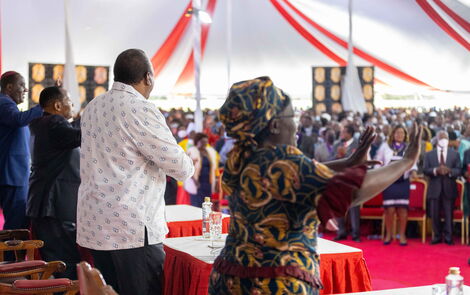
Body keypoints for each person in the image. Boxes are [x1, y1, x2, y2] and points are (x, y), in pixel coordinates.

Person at [208, 77, 422, 295]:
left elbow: (303, 175)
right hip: (273, 284)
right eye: (294, 116)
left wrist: (348, 162)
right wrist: (405, 163)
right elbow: (351, 192)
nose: (296, 124)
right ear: (274, 125)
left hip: (230, 277)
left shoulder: (241, 156)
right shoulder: (282, 160)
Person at [77, 49, 195, 295]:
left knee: (107, 290)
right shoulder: (140, 108)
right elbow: (181, 167)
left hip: (96, 222)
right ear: (148, 77)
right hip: (129, 226)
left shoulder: (92, 107)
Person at [27, 86, 82, 279]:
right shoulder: (54, 123)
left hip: (44, 202)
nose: (72, 105)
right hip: (54, 205)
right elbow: (79, 135)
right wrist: (93, 114)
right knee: (65, 262)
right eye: (69, 100)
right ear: (57, 105)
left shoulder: (40, 123)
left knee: (56, 261)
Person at [0, 71, 43, 231]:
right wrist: (43, 106)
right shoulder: (4, 102)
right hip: (12, 176)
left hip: (13, 175)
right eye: (22, 85)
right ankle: (11, 257)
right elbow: (18, 120)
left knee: (17, 223)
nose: (25, 90)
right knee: (16, 225)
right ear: (9, 87)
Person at [374, 125, 417, 245]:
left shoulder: (409, 147)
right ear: (392, 134)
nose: (399, 135)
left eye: (402, 133)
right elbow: (378, 161)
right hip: (389, 182)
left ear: (405, 135)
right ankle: (389, 235)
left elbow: (412, 162)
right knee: (390, 210)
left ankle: (402, 235)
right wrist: (377, 173)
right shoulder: (385, 147)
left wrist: (413, 171)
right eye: (397, 133)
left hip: (403, 182)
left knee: (403, 209)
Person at [423, 131, 461, 245]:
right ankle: (437, 236)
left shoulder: (454, 154)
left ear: (448, 139)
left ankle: (449, 237)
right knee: (434, 214)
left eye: (445, 137)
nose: (443, 139)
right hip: (434, 188)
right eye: (441, 137)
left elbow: (459, 170)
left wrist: (450, 171)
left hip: (449, 187)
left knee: (449, 213)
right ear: (437, 139)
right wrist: (436, 170)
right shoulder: (429, 154)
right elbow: (425, 170)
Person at [332, 124, 361, 242]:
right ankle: (341, 232)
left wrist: (346, 156)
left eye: (343, 132)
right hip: (339, 180)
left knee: (354, 207)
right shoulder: (337, 145)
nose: (341, 134)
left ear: (349, 134)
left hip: (352, 180)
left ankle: (355, 234)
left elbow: (360, 161)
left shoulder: (358, 145)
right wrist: (337, 156)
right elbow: (331, 160)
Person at [184, 133, 219, 207]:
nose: (205, 144)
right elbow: (188, 169)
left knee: (207, 205)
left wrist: (216, 181)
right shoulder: (191, 151)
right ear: (197, 142)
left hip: (208, 183)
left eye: (206, 142)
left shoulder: (210, 152)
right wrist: (195, 181)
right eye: (202, 142)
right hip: (197, 182)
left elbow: (214, 169)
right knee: (196, 205)